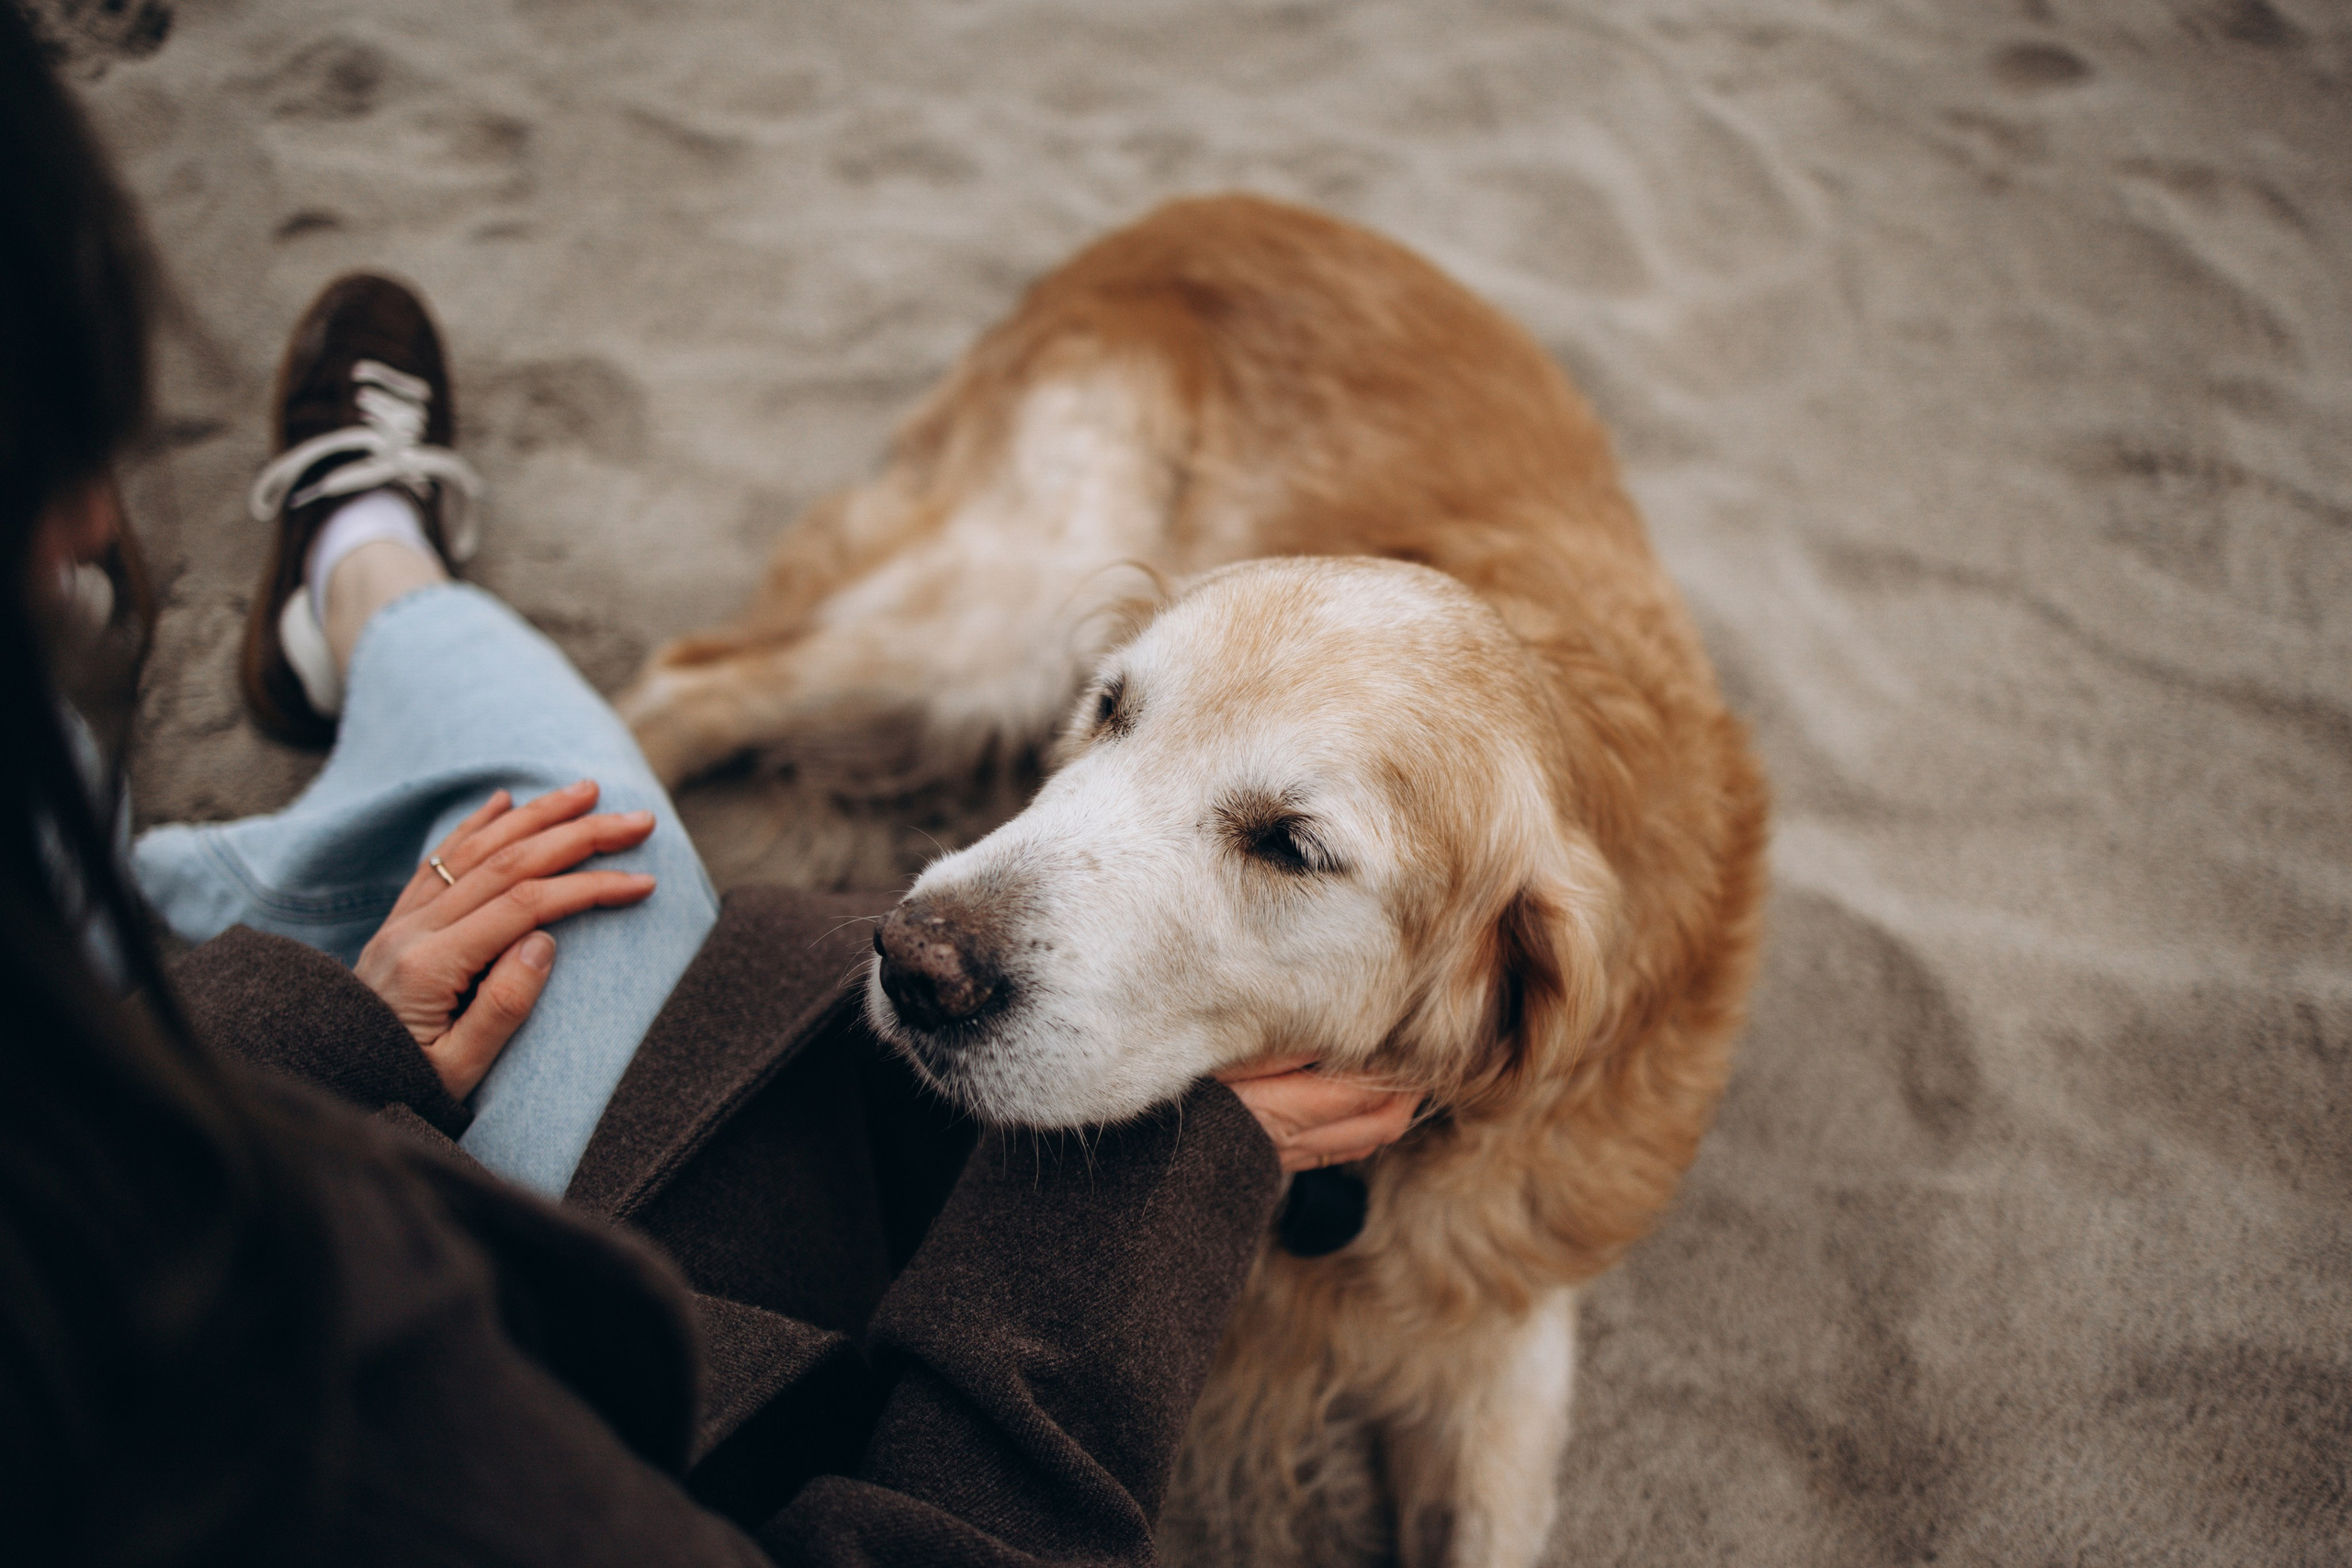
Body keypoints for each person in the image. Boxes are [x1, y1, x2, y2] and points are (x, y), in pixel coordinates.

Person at [1, 9, 1420, 1563]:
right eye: (61, 470)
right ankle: (363, 559)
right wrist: (1128, 1205)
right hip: (588, 1352)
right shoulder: (362, 1425)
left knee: (483, 838)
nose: (93, 514)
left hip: (234, 1111)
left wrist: (288, 1050)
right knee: (573, 807)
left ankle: (348, 574)